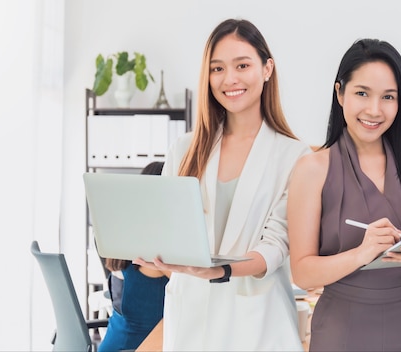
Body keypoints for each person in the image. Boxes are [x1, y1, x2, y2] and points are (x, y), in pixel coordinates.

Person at [133, 18, 311, 351]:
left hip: (259, 325)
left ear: (267, 68)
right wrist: (154, 257)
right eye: (217, 69)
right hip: (191, 322)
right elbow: (172, 239)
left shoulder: (295, 156)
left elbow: (276, 245)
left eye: (242, 65)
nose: (229, 79)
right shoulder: (185, 149)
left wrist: (219, 272)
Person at [287, 38, 401, 351]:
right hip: (342, 334)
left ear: (400, 102)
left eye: (388, 97)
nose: (374, 110)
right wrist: (362, 254)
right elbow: (302, 273)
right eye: (362, 93)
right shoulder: (312, 169)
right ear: (339, 93)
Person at [97, 161, 171, 352]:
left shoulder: (123, 238)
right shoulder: (154, 250)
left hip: (113, 344)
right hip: (140, 347)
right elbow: (188, 286)